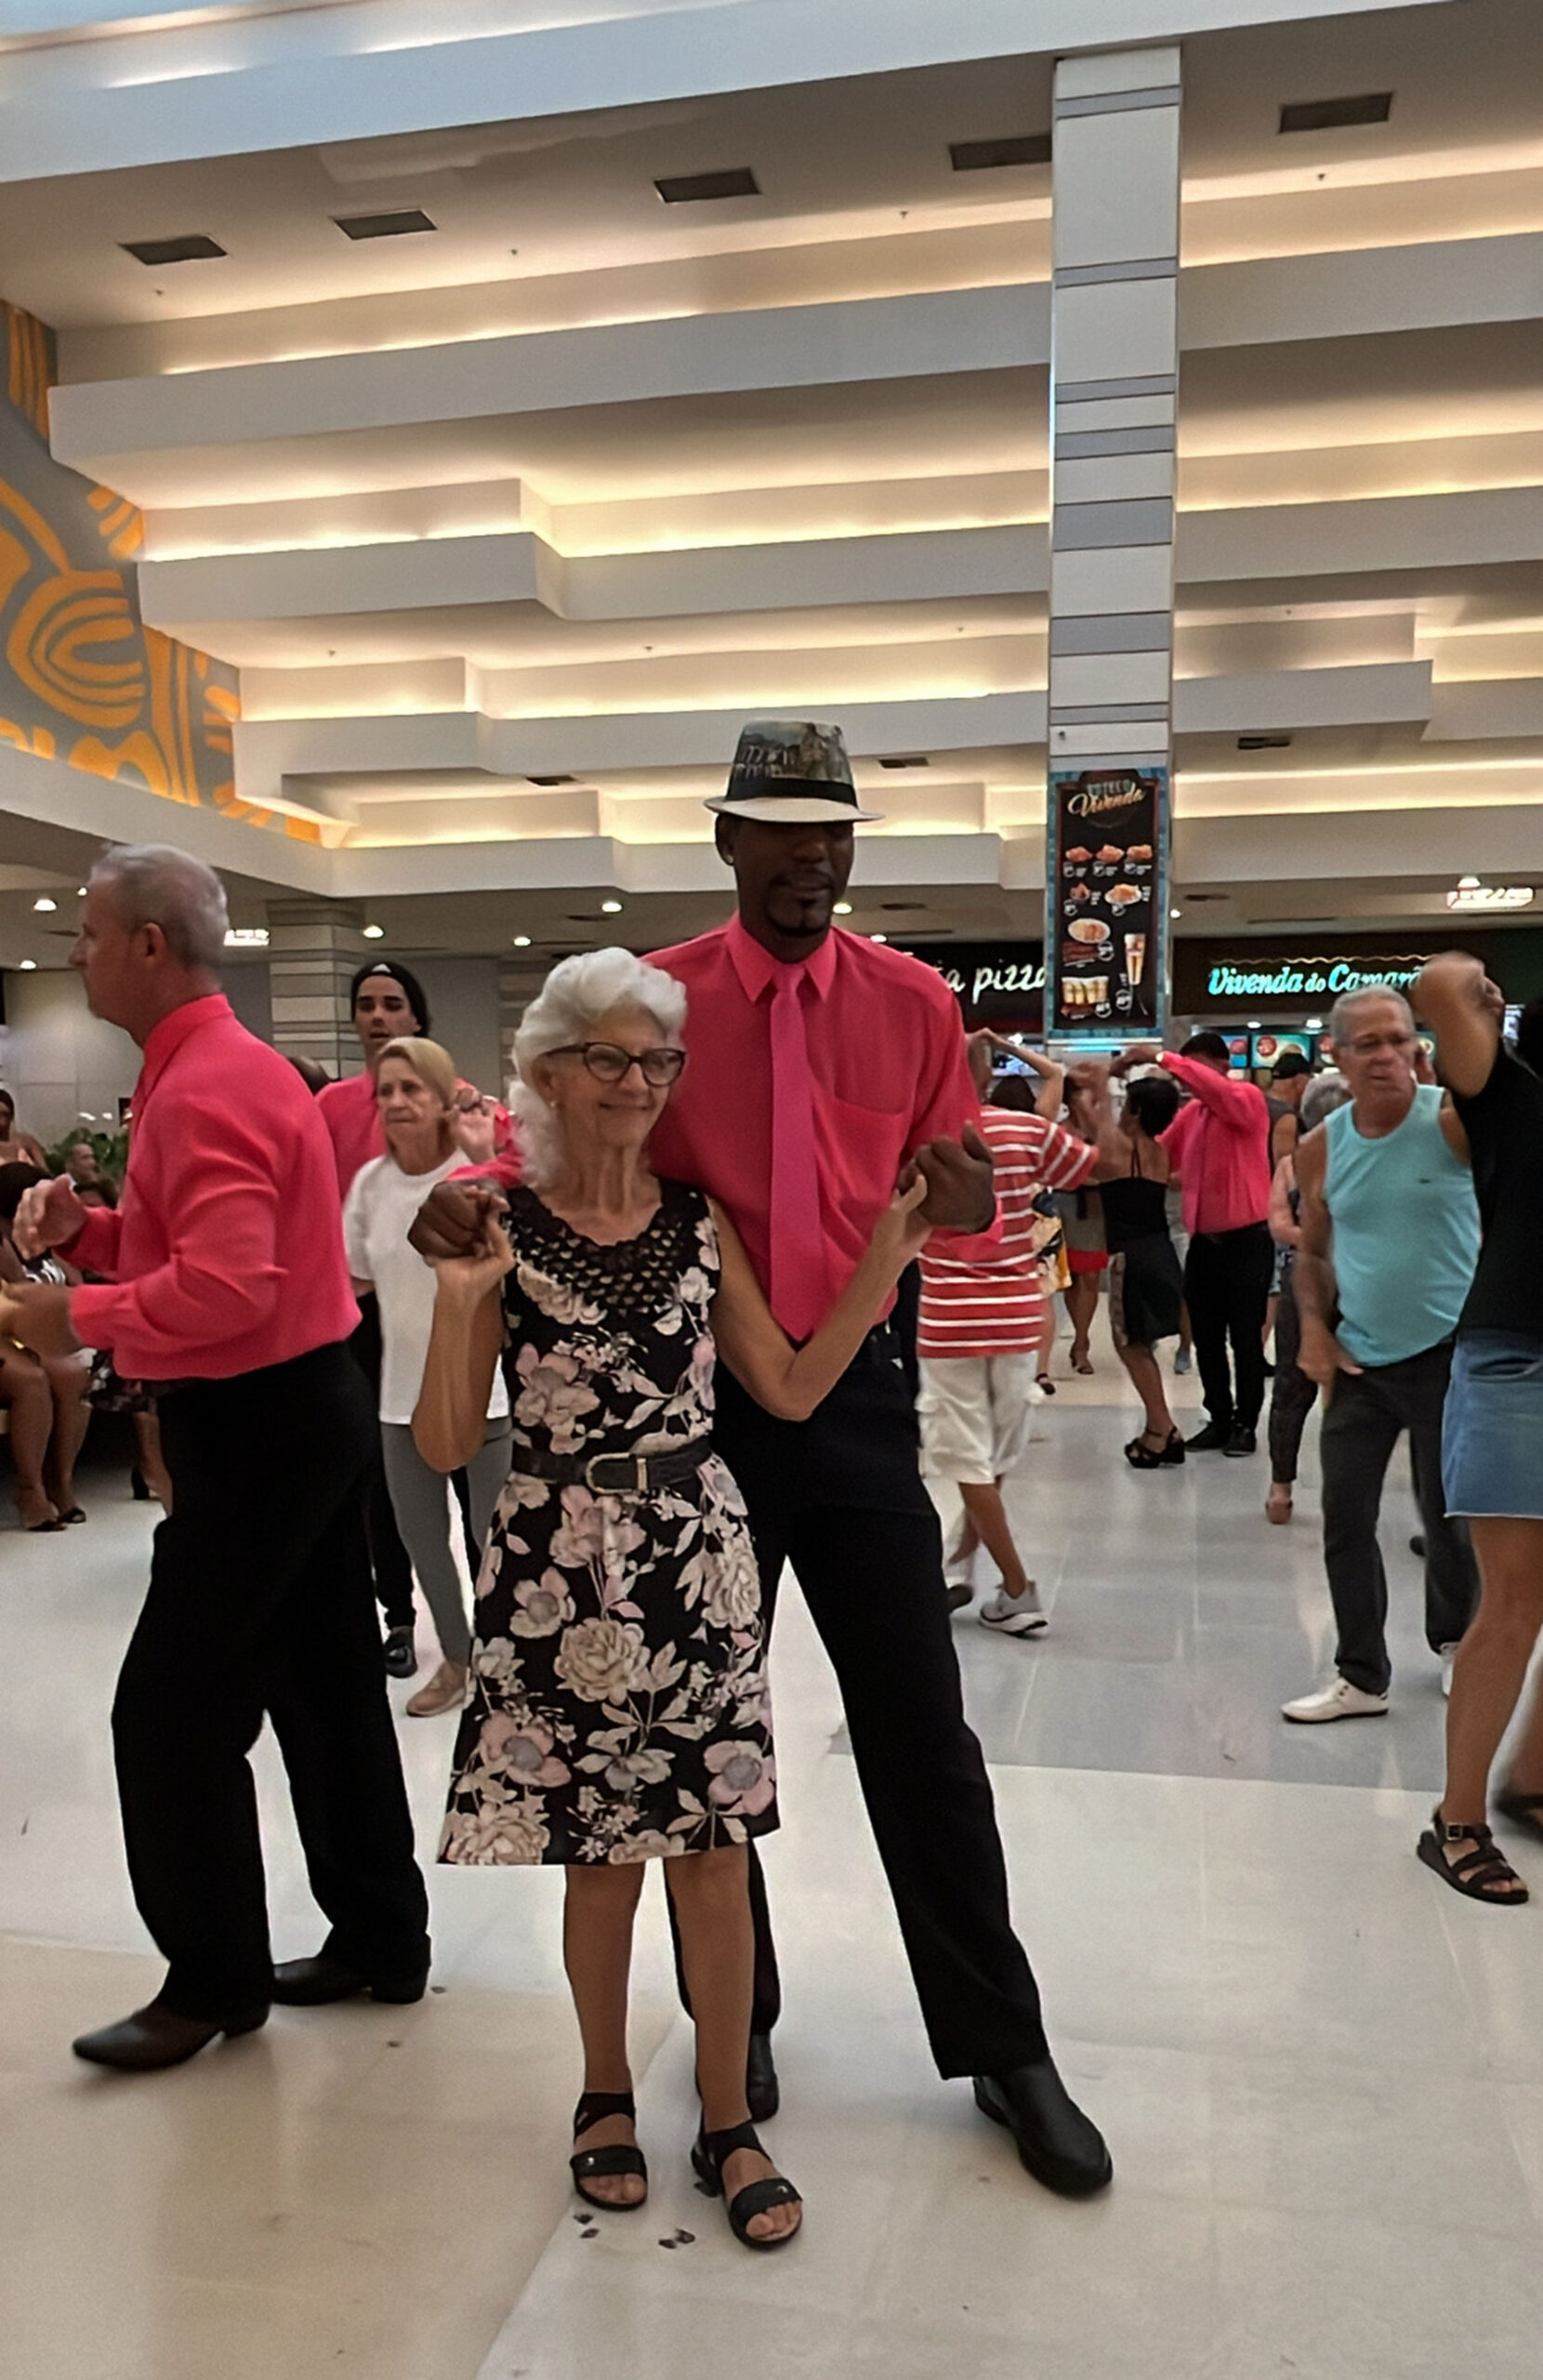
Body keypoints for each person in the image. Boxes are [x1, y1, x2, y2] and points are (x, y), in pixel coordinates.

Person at [412, 721, 1113, 2200]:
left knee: (922, 1728)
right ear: (729, 840)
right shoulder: (663, 1001)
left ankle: (1003, 2043)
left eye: (833, 831)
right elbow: (575, 1141)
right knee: (694, 1746)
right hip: (691, 1409)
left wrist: (963, 1191)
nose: (812, 858)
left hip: (850, 1390)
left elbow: (954, 1194)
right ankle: (742, 2032)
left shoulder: (912, 1003)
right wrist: (464, 1203)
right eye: (783, 830)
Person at [419, 950, 937, 2246]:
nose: (638, 1083)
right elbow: (442, 1443)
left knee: (713, 1851)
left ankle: (726, 2116)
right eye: (609, 1057)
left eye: (658, 1060)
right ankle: (603, 2091)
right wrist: (461, 1303)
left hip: (695, 1554)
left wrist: (887, 1255)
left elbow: (793, 1388)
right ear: (546, 1072)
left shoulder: (698, 1221)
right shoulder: (498, 1226)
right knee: (599, 1861)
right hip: (554, 1566)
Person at [2, 843, 429, 2070]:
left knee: (171, 1715)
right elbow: (217, 1249)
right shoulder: (221, 1068)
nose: (76, 951)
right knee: (325, 1688)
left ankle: (211, 1980)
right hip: (302, 1405)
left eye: (89, 932)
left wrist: (70, 1312)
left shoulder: (204, 1085)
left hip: (259, 1425)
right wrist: (96, 1232)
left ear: (148, 944)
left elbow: (229, 1288)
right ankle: (381, 1937)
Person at [1281, 984, 1481, 1725]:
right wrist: (1315, 1328)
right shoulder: (1320, 1148)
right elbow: (1312, 1255)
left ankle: (1456, 1642)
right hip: (1361, 1361)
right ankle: (1361, 1675)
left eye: (1400, 1039)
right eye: (1368, 1044)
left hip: (1450, 1354)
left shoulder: (1453, 1123)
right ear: (1339, 1055)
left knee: (1447, 1515)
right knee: (1344, 1516)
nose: (1387, 1056)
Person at [1410, 966, 1543, 1903]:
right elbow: (1437, 981)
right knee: (1514, 1601)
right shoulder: (1515, 1097)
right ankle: (1458, 1821)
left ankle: (1529, 1779)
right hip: (1516, 1362)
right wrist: (1483, 996)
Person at [344, 1037, 513, 1718]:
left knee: (494, 1542)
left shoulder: (476, 1172)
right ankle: (458, 1659)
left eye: (412, 1088)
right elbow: (353, 1280)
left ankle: (509, 1669)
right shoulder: (370, 1185)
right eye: (386, 1091)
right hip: (400, 1398)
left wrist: (486, 1157)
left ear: (446, 1098)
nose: (396, 1102)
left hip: (486, 1395)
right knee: (422, 1542)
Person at [917, 1032, 1098, 1633]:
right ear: (988, 1075)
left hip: (948, 1317)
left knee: (966, 1456)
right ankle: (960, 1563)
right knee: (993, 1455)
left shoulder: (918, 1136)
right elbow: (1087, 1166)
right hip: (1017, 1313)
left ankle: (1016, 1587)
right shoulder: (1025, 1130)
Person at [317, 959, 438, 1678]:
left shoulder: (450, 1100)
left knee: (464, 1464)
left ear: (416, 1017)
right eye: (366, 1005)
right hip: (360, 1315)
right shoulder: (330, 1107)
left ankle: (489, 1622)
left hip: (441, 1310)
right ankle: (398, 1614)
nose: (378, 1017)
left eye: (392, 1003)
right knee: (380, 1472)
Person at [1147, 1033, 1273, 1456]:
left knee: (1245, 1338)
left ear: (1222, 1066)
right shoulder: (1194, 1114)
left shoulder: (1247, 1099)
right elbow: (1161, 1150)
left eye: (1198, 1069)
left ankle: (1246, 1424)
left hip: (1247, 1240)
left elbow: (1216, 1091)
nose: (1192, 1080)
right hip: (1205, 1242)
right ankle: (1219, 1416)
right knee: (1206, 1336)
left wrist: (1163, 1057)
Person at [1078, 1062, 1186, 1465]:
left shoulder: (1120, 1149)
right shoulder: (1160, 1153)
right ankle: (1162, 1425)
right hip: (1160, 1251)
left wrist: (1103, 1077)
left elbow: (1096, 1113)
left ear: (1136, 1111)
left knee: (1131, 1346)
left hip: (1130, 1258)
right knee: (1140, 1345)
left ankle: (1160, 1428)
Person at [1264, 1071, 1352, 1524]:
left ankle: (1281, 1488)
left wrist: (1309, 1240)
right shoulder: (1362, 1161)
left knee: (1291, 1385)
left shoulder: (1292, 1163)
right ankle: (1339, 1491)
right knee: (1346, 1388)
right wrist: (1330, 1241)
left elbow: (1280, 1224)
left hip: (1303, 1278)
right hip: (1350, 1279)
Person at [0, 1161, 94, 1529]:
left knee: (72, 1377)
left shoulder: (29, 1239)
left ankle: (61, 1480)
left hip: (17, 1329)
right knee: (32, 1381)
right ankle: (30, 1490)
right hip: (7, 1329)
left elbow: (29, 1291)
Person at [64, 1138, 118, 1209]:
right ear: (71, 1164)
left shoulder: (104, 1185)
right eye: (85, 1158)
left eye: (92, 1157)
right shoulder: (65, 1189)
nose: (91, 1162)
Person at [0, 1089, 46, 1170]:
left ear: (12, 1116)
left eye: (5, 1115)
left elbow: (44, 1171)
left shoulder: (25, 1141)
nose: (2, 1121)